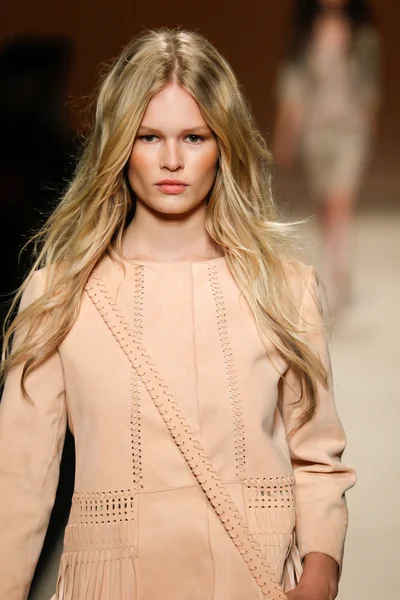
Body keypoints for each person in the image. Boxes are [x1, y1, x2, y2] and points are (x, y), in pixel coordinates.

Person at [0, 28, 356, 600]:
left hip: (255, 575)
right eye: (148, 137)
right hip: (113, 583)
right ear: (119, 145)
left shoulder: (283, 288)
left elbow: (316, 455)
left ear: (224, 143)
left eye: (194, 137)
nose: (171, 161)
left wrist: (320, 574)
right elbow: (19, 482)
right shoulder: (59, 295)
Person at [273, 0, 381, 314]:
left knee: (339, 204)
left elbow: (370, 87)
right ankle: (337, 269)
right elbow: (292, 87)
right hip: (314, 131)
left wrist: (369, 132)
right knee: (325, 206)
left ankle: (336, 279)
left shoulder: (364, 34)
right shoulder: (303, 32)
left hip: (350, 131)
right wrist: (285, 136)